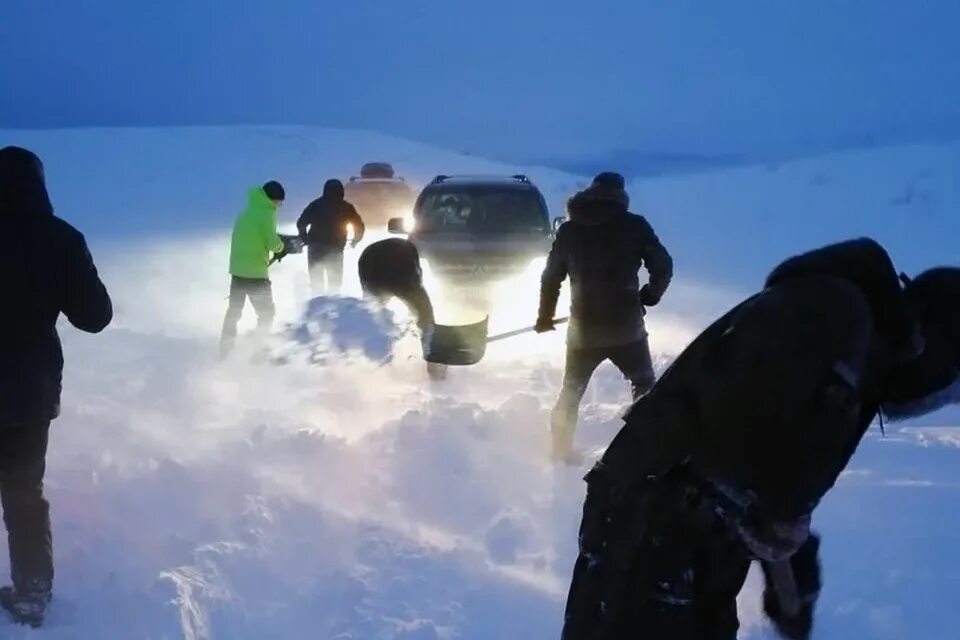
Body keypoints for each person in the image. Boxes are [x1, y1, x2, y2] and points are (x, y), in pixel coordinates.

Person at [560, 238, 960, 640]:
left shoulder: (864, 356)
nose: (930, 401)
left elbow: (783, 458)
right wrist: (780, 509)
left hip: (701, 535)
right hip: (652, 514)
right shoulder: (836, 312)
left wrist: (791, 558)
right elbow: (743, 401)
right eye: (946, 388)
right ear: (940, 348)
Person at [0, 146, 113, 627]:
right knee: (24, 492)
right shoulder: (62, 239)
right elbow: (95, 317)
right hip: (28, 392)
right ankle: (31, 595)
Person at [537, 172, 673, 462]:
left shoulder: (570, 231)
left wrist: (545, 316)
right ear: (620, 195)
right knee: (644, 385)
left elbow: (551, 278)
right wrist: (651, 294)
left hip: (583, 331)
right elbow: (662, 264)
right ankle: (647, 453)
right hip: (627, 328)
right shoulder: (634, 226)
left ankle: (560, 452)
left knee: (571, 392)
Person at [219, 181, 286, 358]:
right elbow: (272, 242)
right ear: (272, 200)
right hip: (256, 274)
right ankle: (259, 353)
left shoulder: (247, 211)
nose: (279, 206)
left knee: (233, 312)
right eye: (279, 202)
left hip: (237, 271)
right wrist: (281, 247)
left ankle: (224, 350)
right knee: (266, 314)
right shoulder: (267, 213)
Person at [297, 179, 366, 294]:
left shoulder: (315, 205)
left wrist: (305, 238)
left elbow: (301, 223)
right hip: (336, 249)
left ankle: (317, 305)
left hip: (315, 248)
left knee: (316, 282)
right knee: (334, 284)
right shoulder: (346, 207)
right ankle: (333, 305)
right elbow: (359, 226)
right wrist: (355, 241)